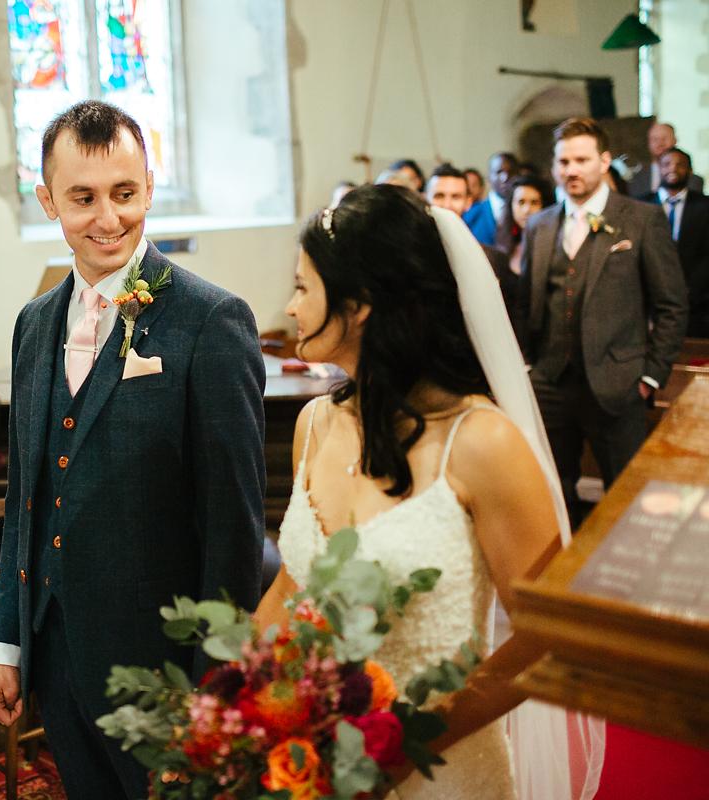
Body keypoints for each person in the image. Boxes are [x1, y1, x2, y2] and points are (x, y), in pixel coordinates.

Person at [255, 183, 603, 799]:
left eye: (305, 287)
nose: (289, 307)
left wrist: (404, 745)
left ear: (360, 305)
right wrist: (228, 706)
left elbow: (550, 643)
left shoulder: (482, 443)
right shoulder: (315, 426)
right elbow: (291, 585)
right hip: (318, 763)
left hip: (441, 770)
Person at [0, 100, 266, 799]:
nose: (107, 219)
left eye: (125, 194)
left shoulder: (211, 321)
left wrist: (214, 688)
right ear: (48, 200)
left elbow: (233, 528)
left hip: (163, 667)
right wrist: (7, 645)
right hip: (57, 657)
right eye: (83, 198)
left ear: (148, 186)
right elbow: (27, 498)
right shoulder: (33, 323)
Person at [519, 117, 687, 515]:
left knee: (625, 502)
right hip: (549, 383)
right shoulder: (540, 226)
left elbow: (672, 304)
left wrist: (649, 377)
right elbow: (526, 303)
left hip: (617, 385)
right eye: (563, 162)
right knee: (550, 496)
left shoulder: (641, 219)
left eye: (581, 159)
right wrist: (528, 365)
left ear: (604, 161)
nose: (571, 170)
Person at [426, 164, 518, 319]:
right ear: (425, 199)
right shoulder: (411, 254)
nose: (447, 205)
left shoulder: (492, 260)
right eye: (439, 196)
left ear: (468, 202)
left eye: (455, 197)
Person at [645, 147, 709, 336]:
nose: (673, 168)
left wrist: (691, 289)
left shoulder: (705, 206)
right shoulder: (641, 205)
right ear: (659, 169)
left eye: (680, 164)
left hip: (698, 303)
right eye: (666, 164)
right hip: (651, 301)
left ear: (689, 170)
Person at [495, 174, 552, 277]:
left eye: (534, 203)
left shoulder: (554, 245)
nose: (527, 210)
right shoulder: (503, 242)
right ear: (511, 205)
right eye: (521, 202)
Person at [627, 122, 704, 199]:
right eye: (655, 139)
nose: (660, 143)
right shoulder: (634, 180)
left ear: (675, 140)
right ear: (648, 143)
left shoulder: (694, 181)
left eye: (664, 138)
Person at [464, 151, 519, 246]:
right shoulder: (471, 215)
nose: (505, 178)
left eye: (511, 172)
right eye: (499, 172)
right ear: (489, 177)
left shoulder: (526, 213)